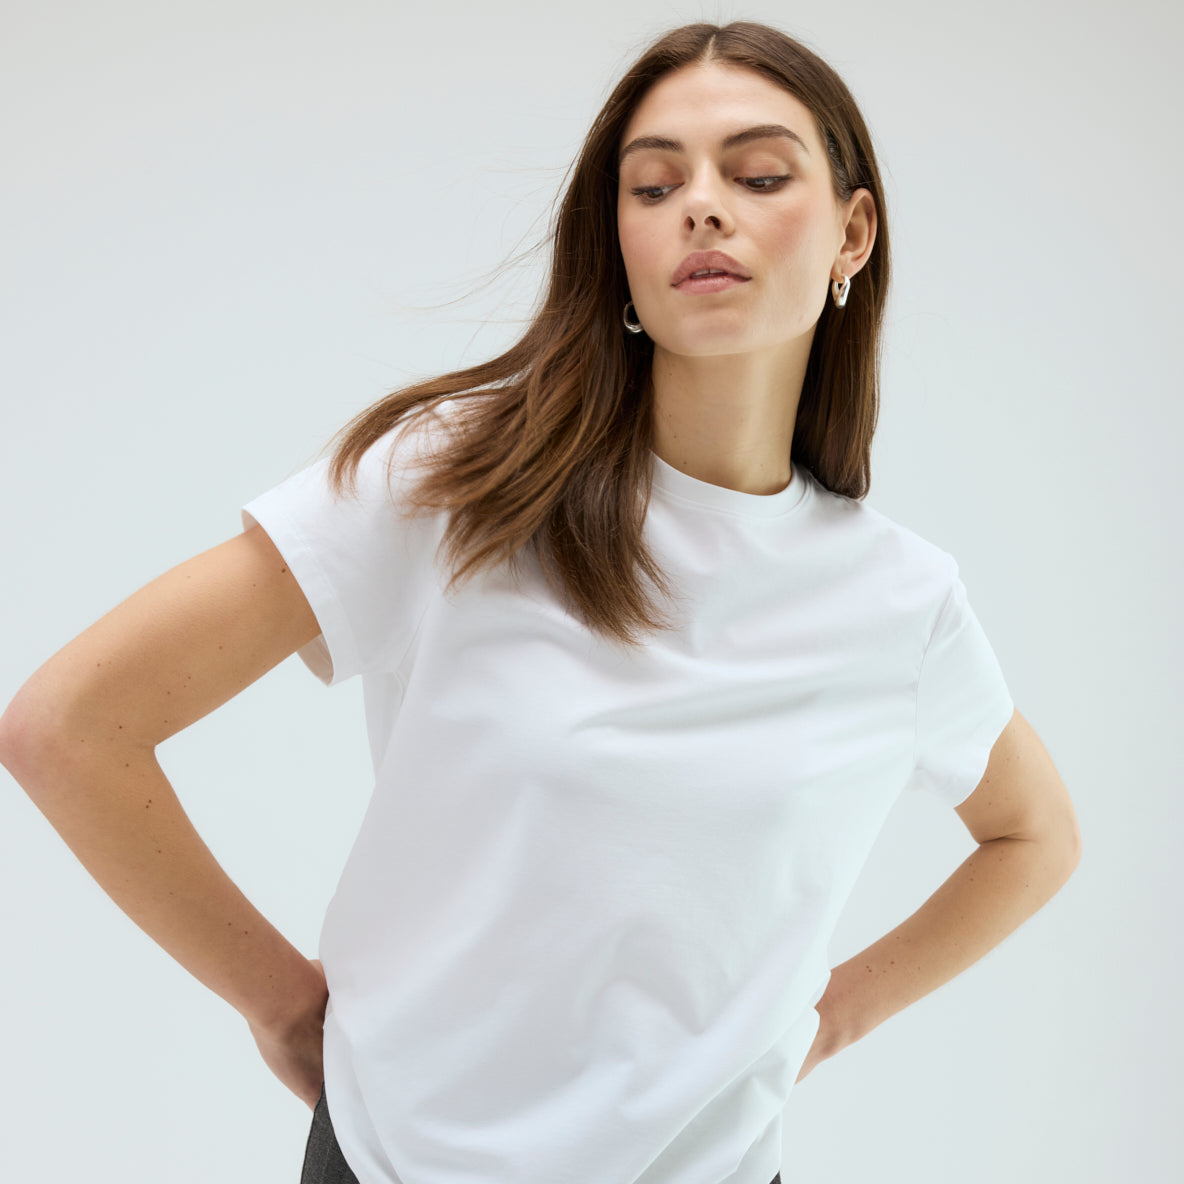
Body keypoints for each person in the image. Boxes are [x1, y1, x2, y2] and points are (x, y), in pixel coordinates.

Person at [0, 19, 1082, 1184]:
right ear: (615, 244)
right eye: (653, 186)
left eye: (758, 175)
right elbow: (70, 725)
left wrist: (827, 1019)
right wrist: (276, 1001)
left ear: (850, 233)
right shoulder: (457, 484)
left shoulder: (898, 602)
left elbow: (1033, 837)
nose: (701, 208)